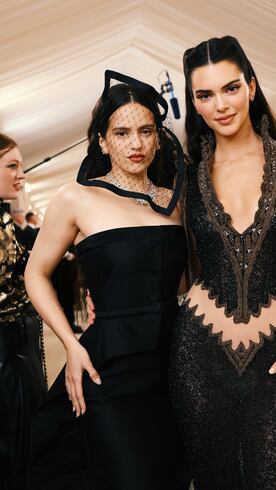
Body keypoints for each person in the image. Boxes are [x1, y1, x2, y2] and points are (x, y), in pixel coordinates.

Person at [168, 36, 276, 490]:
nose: (220, 104)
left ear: (251, 86)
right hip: (197, 358)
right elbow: (163, 256)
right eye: (204, 95)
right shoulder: (185, 174)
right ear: (194, 103)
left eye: (230, 88)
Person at [25, 71, 189, 490]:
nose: (135, 144)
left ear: (158, 137)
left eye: (145, 131)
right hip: (107, 369)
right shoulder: (76, 198)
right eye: (122, 132)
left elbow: (187, 284)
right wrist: (71, 344)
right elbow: (36, 274)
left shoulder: (175, 201)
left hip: (174, 365)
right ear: (102, 140)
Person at [0, 133, 47, 490]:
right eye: (12, 166)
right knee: (16, 444)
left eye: (21, 166)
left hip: (18, 344)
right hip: (8, 350)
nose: (21, 175)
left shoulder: (3, 221)